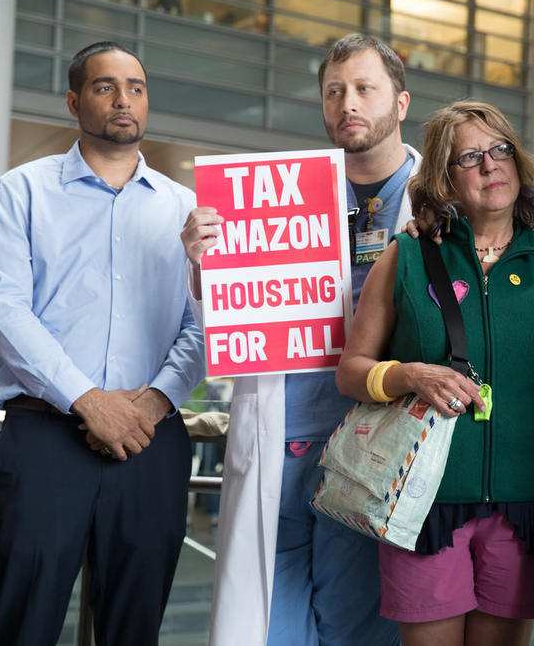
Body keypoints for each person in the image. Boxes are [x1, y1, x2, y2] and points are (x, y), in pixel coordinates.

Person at [181, 34, 418, 645]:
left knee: (360, 621)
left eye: (365, 89)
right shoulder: (279, 196)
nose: (349, 104)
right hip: (284, 434)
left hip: (372, 440)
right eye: (334, 91)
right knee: (268, 624)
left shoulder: (438, 201)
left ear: (401, 103)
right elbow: (233, 311)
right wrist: (207, 263)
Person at [0, 41, 205, 646]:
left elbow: (203, 323)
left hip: (151, 445)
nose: (123, 99)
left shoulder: (188, 210)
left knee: (135, 630)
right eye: (105, 86)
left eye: (136, 86)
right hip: (44, 439)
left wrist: (153, 402)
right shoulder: (19, 192)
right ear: (75, 100)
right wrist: (88, 400)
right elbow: (4, 310)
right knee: (24, 624)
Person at [335, 100, 534, 646]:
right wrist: (412, 374)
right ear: (444, 177)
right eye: (470, 157)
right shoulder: (408, 256)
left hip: (524, 506)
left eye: (501, 149)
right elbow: (351, 372)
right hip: (423, 502)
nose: (491, 165)